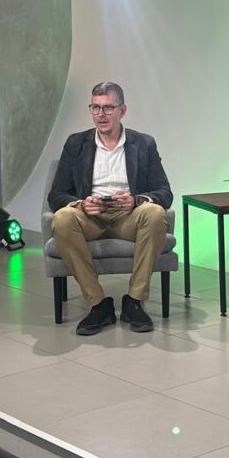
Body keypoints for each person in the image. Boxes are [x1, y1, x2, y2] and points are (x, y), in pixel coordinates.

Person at [48, 82, 173, 336]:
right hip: (90, 217)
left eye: (107, 108)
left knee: (155, 213)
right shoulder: (76, 143)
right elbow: (56, 195)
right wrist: (81, 204)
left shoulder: (144, 144)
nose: (100, 114)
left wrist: (136, 200)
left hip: (128, 216)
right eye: (95, 107)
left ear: (122, 110)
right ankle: (98, 304)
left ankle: (134, 301)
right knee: (62, 219)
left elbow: (164, 193)